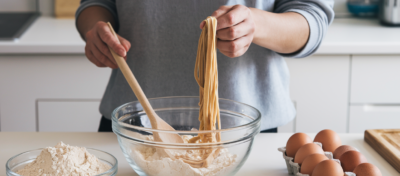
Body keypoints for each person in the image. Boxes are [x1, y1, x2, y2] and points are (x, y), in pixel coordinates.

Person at [76, 0, 334, 133]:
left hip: (242, 133)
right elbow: (95, 4)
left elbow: (311, 17)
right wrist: (95, 30)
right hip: (132, 125)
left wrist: (255, 24)